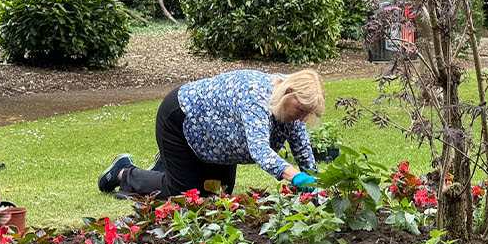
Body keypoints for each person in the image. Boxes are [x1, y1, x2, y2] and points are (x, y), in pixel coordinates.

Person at [100, 68, 325, 198]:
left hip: (212, 139)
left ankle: (168, 164)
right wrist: (295, 176)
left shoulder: (289, 104)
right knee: (186, 195)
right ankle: (124, 173)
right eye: (302, 110)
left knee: (219, 192)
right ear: (289, 95)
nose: (303, 118)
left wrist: (315, 185)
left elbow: (302, 148)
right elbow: (259, 150)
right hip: (180, 119)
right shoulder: (257, 98)